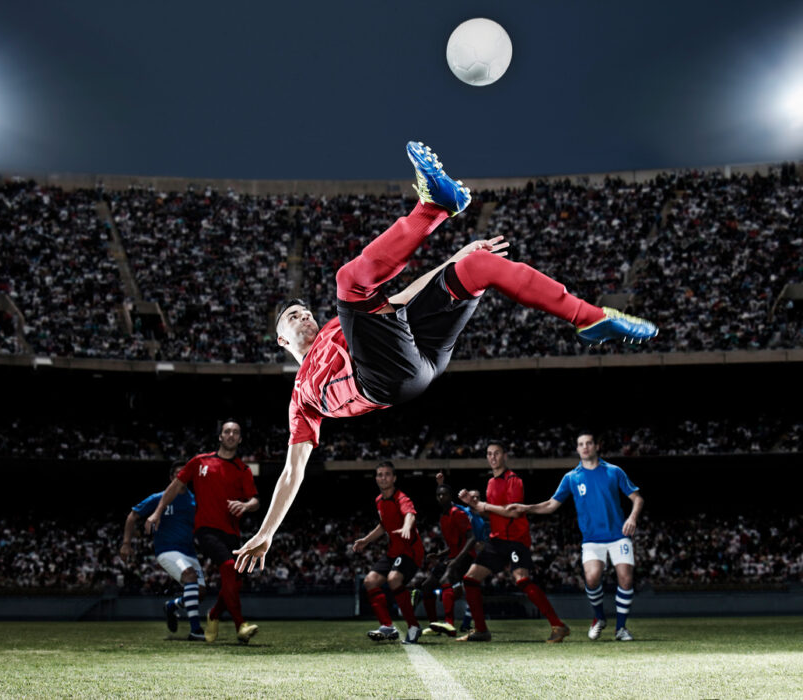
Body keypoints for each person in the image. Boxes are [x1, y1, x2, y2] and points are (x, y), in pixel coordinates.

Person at [234, 141, 658, 574]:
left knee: (478, 269)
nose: (302, 315)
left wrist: (455, 259)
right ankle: (433, 208)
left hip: (417, 352)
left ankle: (589, 319)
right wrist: (267, 530)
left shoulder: (336, 327)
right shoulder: (300, 397)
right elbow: (292, 473)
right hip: (383, 380)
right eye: (292, 316)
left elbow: (398, 298)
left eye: (304, 310)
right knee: (349, 280)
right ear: (282, 341)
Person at [508, 430, 644, 641]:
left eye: (589, 443)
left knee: (626, 580)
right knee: (591, 579)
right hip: (592, 539)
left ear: (596, 446)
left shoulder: (614, 471)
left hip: (618, 535)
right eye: (581, 444)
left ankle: (621, 628)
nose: (585, 447)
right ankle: (599, 618)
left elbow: (637, 498)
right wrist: (526, 508)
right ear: (577, 449)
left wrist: (632, 518)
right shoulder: (572, 477)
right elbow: (551, 505)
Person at [146, 420, 260, 644]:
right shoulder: (200, 462)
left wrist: (246, 506)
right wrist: (157, 512)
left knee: (234, 582)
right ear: (220, 436)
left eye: (235, 432)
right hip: (206, 530)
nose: (230, 435)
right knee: (228, 567)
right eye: (227, 431)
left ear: (240, 439)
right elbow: (175, 487)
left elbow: (255, 500)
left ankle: (214, 614)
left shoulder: (243, 470)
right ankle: (241, 626)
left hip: (232, 532)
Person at [457, 441, 570, 643]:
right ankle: (481, 630)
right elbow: (489, 511)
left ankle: (558, 626)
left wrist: (484, 505)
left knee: (521, 579)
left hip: (516, 539)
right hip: (497, 539)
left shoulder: (513, 480)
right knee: (470, 579)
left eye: (497, 453)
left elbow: (515, 511)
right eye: (489, 454)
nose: (493, 457)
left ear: (505, 456)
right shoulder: (491, 482)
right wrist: (471, 503)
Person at [120, 461, 206, 641]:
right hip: (167, 550)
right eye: (176, 474)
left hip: (189, 552)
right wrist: (126, 543)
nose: (179, 477)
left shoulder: (194, 500)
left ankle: (172, 606)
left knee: (200, 593)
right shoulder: (160, 498)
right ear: (170, 477)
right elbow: (132, 516)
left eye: (183, 474)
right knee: (189, 576)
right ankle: (196, 630)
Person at [352, 461, 425, 644]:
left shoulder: (401, 498)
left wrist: (407, 526)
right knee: (370, 581)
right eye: (379, 474)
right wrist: (366, 540)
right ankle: (387, 626)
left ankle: (414, 627)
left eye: (386, 474)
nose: (382, 478)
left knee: (393, 579)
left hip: (411, 551)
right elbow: (383, 525)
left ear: (394, 478)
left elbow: (410, 514)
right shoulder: (379, 501)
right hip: (394, 552)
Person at [417, 474, 478, 637]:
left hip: (466, 557)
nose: (441, 496)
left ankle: (450, 624)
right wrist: (440, 554)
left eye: (444, 494)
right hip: (452, 557)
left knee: (445, 580)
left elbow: (471, 538)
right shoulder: (443, 517)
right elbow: (454, 544)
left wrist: (456, 560)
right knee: (426, 586)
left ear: (450, 496)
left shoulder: (457, 513)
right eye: (438, 494)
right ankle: (434, 626)